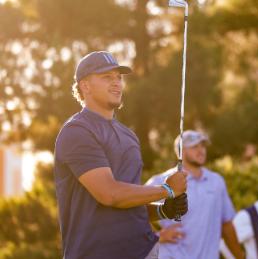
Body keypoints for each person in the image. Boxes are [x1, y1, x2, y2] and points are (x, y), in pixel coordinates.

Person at [54, 51, 188, 259]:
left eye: (118, 77)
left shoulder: (129, 135)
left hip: (144, 251)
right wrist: (167, 189)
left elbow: (129, 200)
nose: (117, 83)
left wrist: (163, 210)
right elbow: (110, 194)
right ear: (85, 86)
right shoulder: (77, 131)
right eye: (107, 77)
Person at [146, 130, 245, 259]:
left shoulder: (216, 181)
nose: (201, 150)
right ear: (181, 151)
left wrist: (240, 257)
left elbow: (227, 225)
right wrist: (157, 236)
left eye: (203, 146)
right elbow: (135, 213)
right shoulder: (161, 180)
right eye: (194, 146)